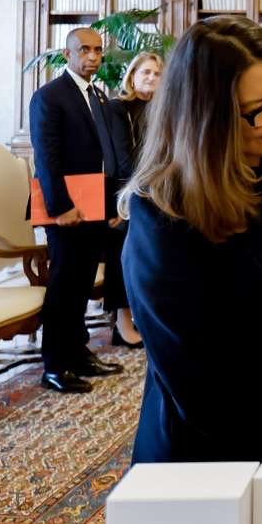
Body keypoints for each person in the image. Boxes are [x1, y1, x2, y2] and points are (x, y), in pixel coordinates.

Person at [119, 16, 262, 463]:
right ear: (207, 117)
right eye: (261, 107)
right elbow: (197, 375)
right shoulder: (161, 215)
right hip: (209, 453)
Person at [29, 27, 124, 393]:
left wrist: (113, 204)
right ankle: (54, 364)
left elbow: (107, 158)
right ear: (66, 54)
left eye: (98, 50)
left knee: (82, 282)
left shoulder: (98, 96)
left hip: (95, 204)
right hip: (66, 208)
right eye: (84, 49)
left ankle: (78, 351)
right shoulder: (49, 97)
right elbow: (47, 157)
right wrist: (61, 207)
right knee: (64, 284)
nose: (93, 56)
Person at [104, 52, 163, 348]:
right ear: (132, 76)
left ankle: (156, 315)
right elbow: (122, 159)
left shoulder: (162, 111)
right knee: (124, 237)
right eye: (146, 72)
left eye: (157, 73)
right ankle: (122, 322)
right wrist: (130, 200)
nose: (151, 77)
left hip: (156, 191)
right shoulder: (118, 107)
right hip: (123, 194)